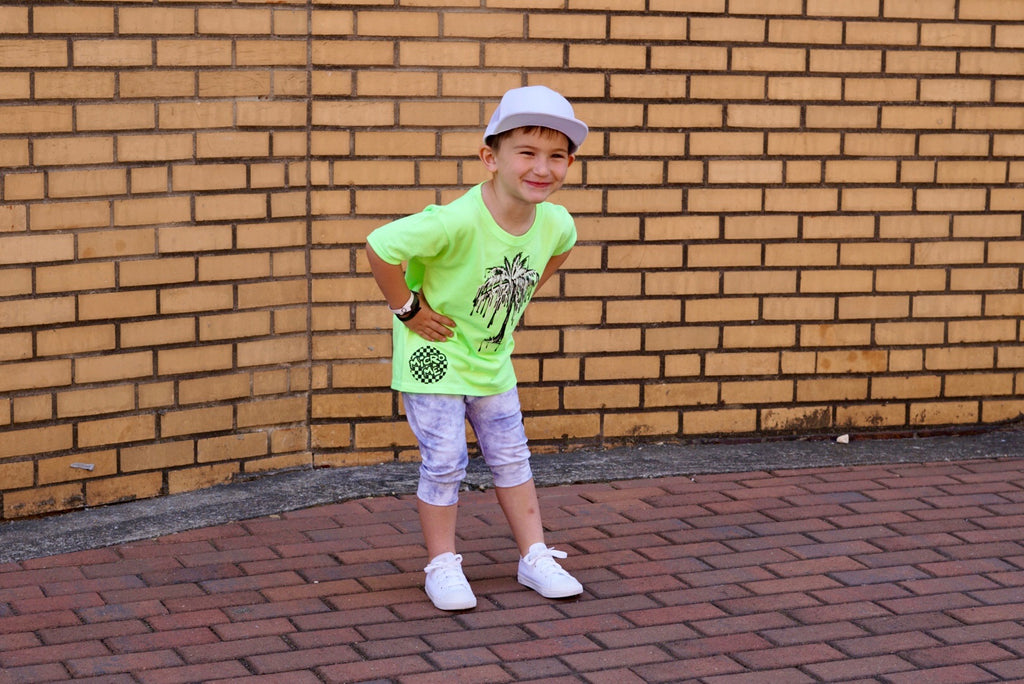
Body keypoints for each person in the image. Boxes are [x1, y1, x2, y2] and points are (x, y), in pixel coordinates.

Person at [365, 85, 587, 611]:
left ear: (570, 164)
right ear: (490, 158)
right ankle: (442, 565)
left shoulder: (556, 222)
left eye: (557, 156)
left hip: (491, 361)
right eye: (527, 152)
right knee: (445, 462)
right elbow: (380, 246)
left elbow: (558, 250)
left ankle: (533, 556)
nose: (542, 168)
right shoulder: (456, 220)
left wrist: (518, 299)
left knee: (511, 456)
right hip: (434, 358)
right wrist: (408, 310)